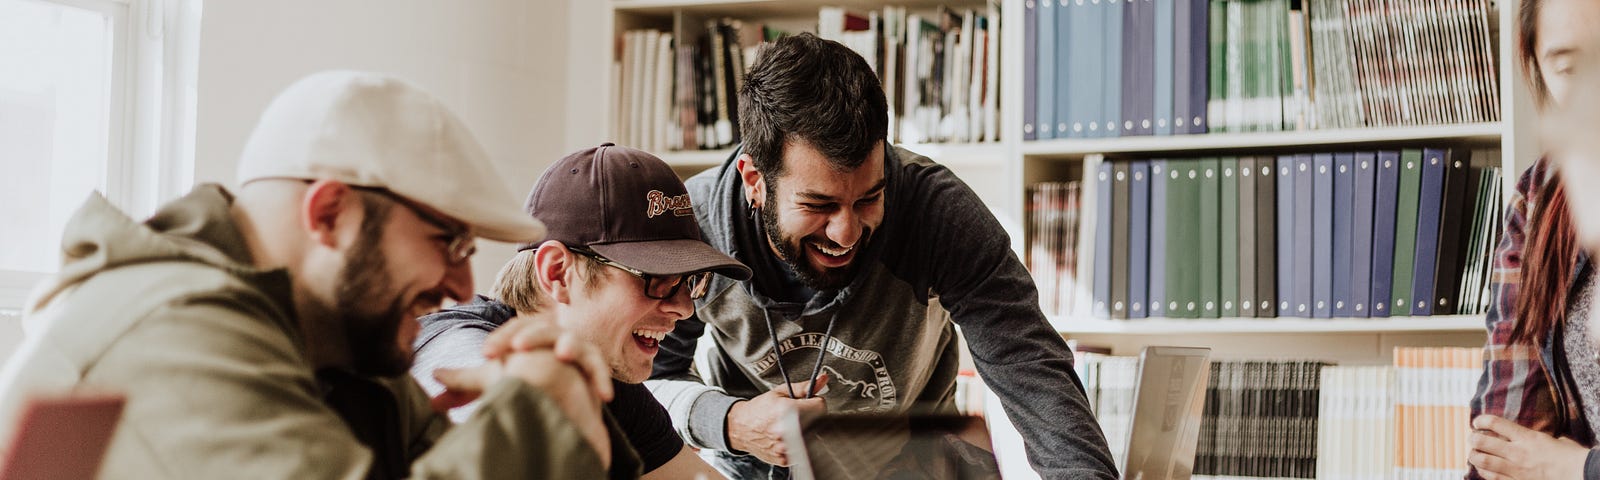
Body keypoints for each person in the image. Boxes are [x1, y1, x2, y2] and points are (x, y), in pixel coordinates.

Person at [0, 71, 636, 478]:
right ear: (330, 212)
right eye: (448, 241)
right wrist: (535, 410)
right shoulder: (172, 331)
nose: (464, 288)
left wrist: (571, 400)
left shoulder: (337, 345)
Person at [643, 33, 1118, 479]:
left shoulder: (937, 212)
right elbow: (645, 381)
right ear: (754, 181)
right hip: (756, 469)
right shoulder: (694, 227)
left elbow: (1029, 364)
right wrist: (730, 422)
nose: (847, 232)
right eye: (818, 205)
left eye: (869, 198)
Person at [410, 143, 750, 479]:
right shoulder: (453, 344)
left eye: (690, 281)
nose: (684, 308)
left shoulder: (608, 375)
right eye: (657, 279)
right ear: (557, 272)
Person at [1467, 0, 1600, 478]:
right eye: (1569, 67)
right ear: (1539, 69)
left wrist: (1578, 468)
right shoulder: (1540, 198)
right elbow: (1502, 444)